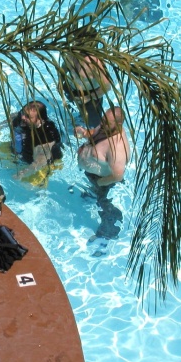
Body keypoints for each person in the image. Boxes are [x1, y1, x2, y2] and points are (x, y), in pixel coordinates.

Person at [76, 106, 130, 254]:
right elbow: (95, 133)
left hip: (103, 180)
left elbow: (118, 175)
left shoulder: (117, 147)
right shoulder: (107, 127)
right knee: (94, 195)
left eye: (106, 123)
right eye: (103, 120)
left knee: (104, 206)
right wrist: (84, 133)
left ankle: (107, 234)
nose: (102, 124)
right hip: (93, 176)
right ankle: (92, 194)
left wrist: (100, 183)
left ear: (118, 124)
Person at [60, 26, 112, 127]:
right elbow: (64, 68)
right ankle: (80, 117)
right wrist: (60, 82)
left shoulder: (95, 62)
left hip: (91, 95)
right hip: (71, 89)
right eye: (77, 40)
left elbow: (107, 86)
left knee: (94, 124)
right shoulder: (71, 54)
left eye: (80, 41)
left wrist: (88, 97)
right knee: (76, 110)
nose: (76, 44)